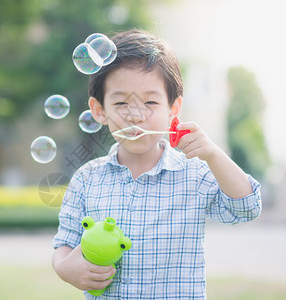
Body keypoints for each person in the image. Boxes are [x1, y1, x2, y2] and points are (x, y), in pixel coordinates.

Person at [52, 29, 261, 299]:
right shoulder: (87, 178)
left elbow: (247, 207)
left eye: (150, 102)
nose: (136, 115)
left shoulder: (194, 173)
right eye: (121, 102)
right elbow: (64, 244)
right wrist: (65, 269)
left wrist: (212, 153)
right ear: (99, 110)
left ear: (173, 110)